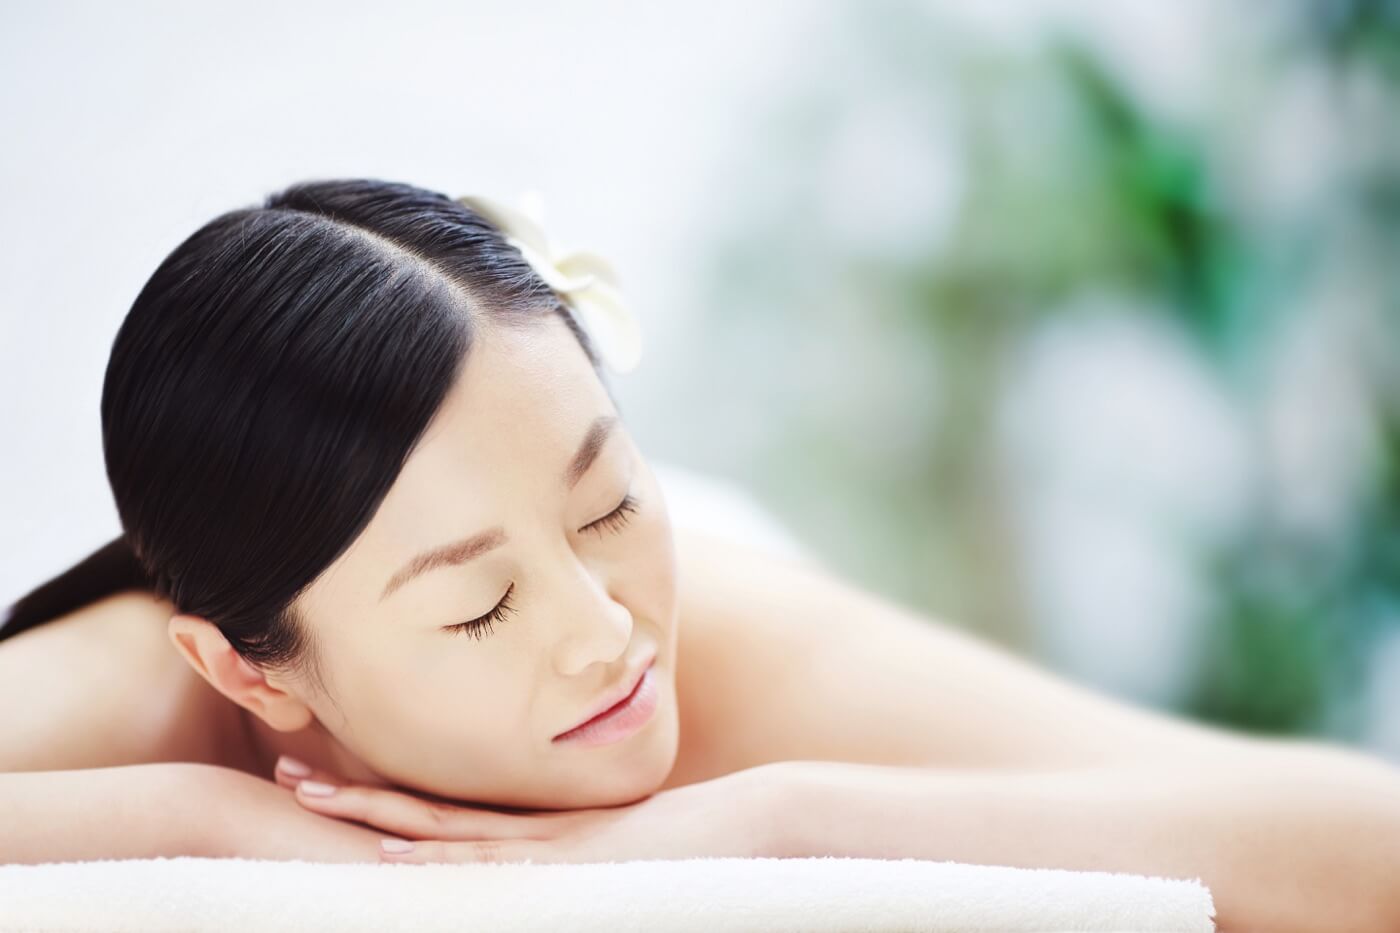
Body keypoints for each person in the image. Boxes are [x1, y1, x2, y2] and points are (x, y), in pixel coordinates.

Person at [5, 179, 1400, 932]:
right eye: (481, 604)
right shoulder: (130, 696)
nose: (604, 627)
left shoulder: (712, 634)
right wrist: (232, 824)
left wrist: (778, 819)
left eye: (608, 499)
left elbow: (1366, 854)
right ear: (247, 668)